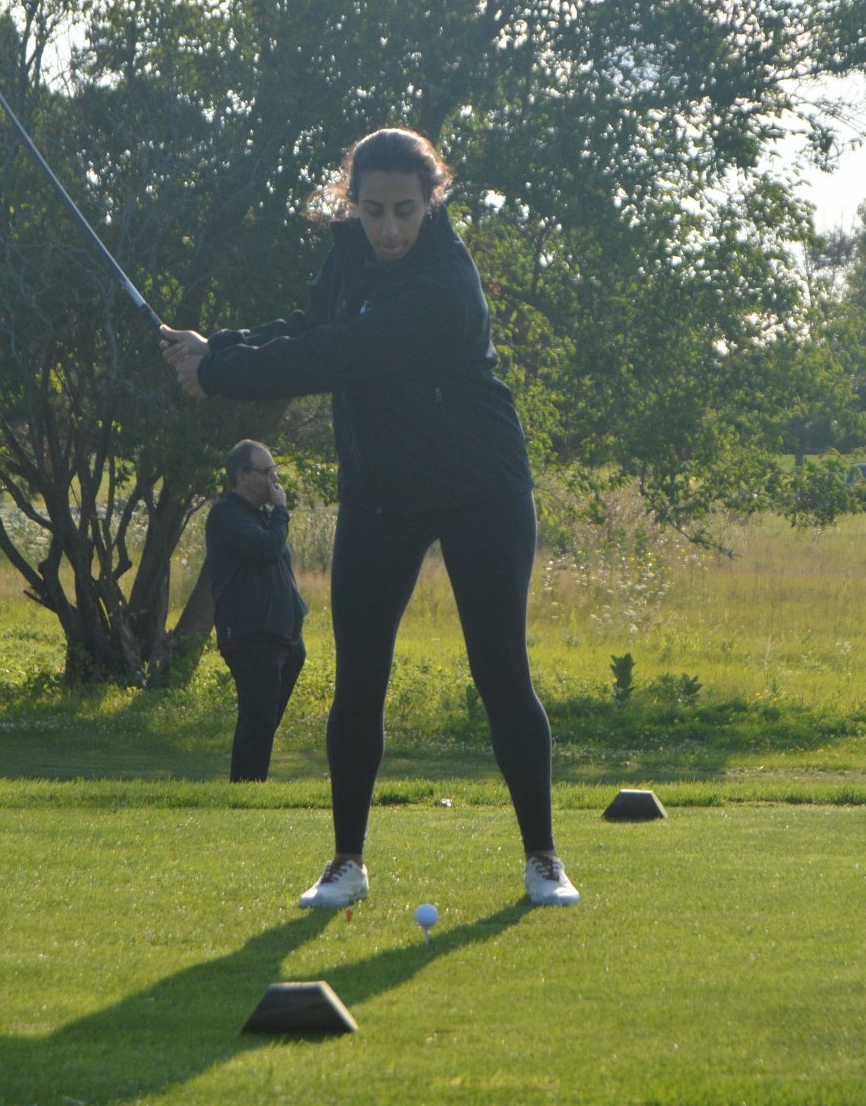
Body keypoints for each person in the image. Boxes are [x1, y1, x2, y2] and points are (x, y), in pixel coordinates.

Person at [159, 127, 578, 908]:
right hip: (383, 491)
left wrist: (218, 372)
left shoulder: (445, 287)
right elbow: (310, 327)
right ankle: (346, 865)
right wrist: (221, 345)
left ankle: (543, 860)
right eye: (373, 210)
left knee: (501, 673)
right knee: (358, 679)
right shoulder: (351, 255)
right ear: (352, 202)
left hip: (482, 488)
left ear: (432, 201)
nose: (388, 229)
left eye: (404, 212)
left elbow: (338, 355)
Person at [204, 439, 307, 783]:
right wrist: (281, 512)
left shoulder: (262, 516)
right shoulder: (226, 515)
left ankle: (248, 787)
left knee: (262, 722)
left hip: (282, 636)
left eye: (274, 471)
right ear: (242, 476)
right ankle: (246, 790)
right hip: (250, 635)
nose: (274, 480)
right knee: (258, 721)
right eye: (266, 472)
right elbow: (267, 550)